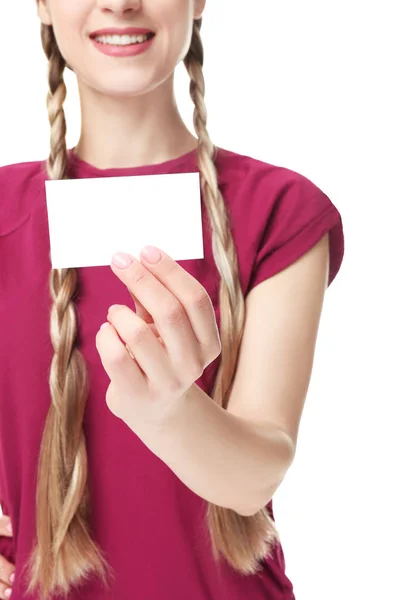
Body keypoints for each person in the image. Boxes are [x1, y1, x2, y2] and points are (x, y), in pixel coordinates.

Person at [0, 0, 345, 598]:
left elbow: (255, 474)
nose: (120, 2)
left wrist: (167, 412)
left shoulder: (280, 210)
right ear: (43, 5)